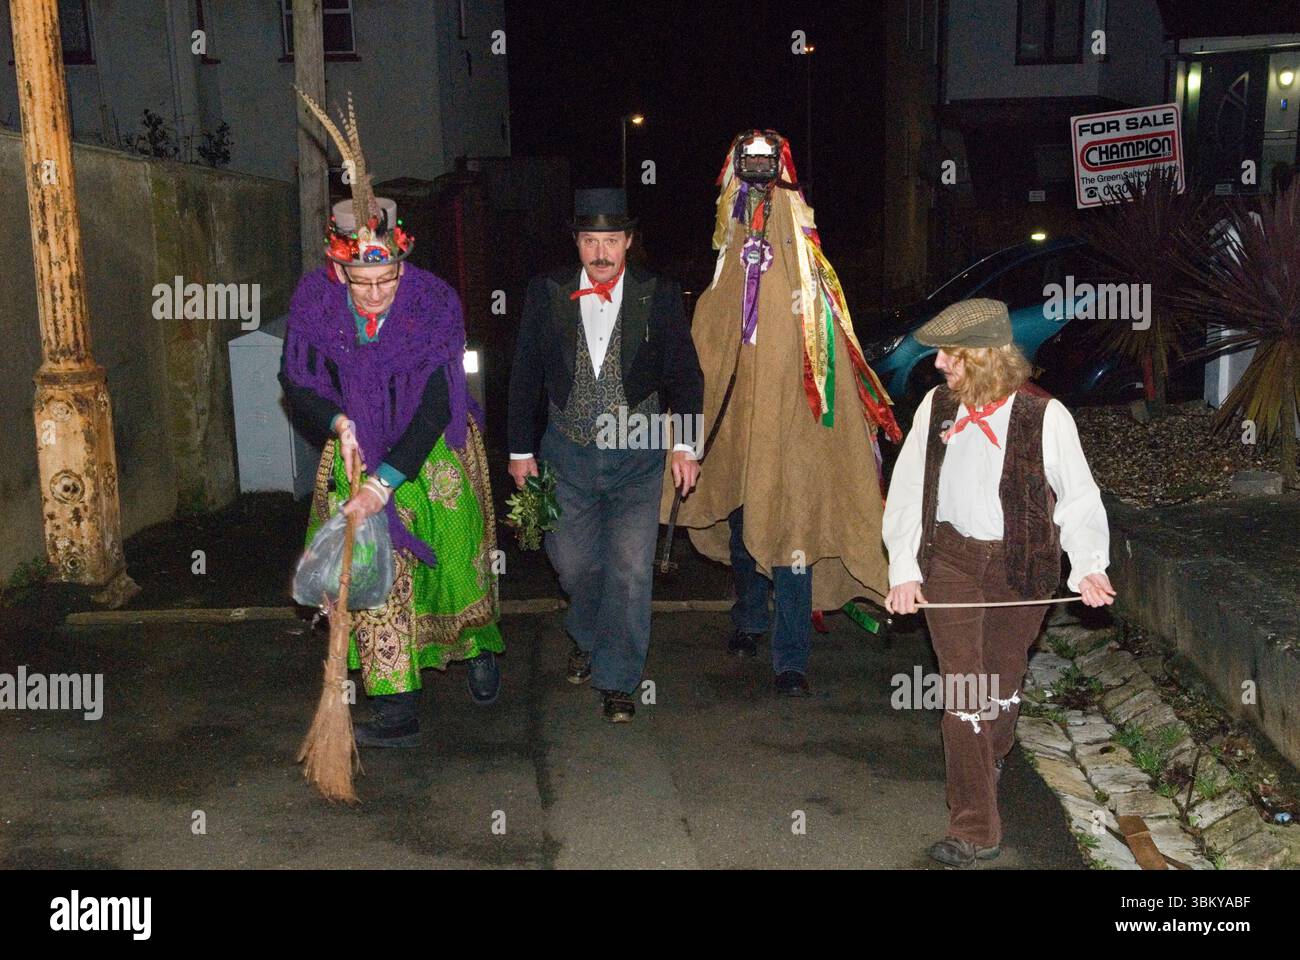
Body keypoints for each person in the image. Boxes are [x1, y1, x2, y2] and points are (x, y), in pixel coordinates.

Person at [281, 89, 503, 748]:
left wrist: (389, 479)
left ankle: (480, 649)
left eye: (388, 279)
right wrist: (337, 423)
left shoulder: (434, 302)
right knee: (371, 570)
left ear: (402, 259)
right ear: (339, 268)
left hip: (427, 443)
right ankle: (396, 705)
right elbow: (297, 381)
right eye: (363, 283)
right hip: (352, 442)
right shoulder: (314, 300)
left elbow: (439, 399)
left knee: (456, 551)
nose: (377, 293)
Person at [663, 130, 902, 695]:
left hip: (798, 426)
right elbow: (712, 340)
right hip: (742, 422)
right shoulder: (729, 262)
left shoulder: (811, 281)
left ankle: (790, 658)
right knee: (748, 519)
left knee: (790, 528)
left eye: (768, 163)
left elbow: (830, 356)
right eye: (748, 163)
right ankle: (748, 619)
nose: (758, 173)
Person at [881, 297, 1116, 866]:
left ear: (985, 356)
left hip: (1023, 567)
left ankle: (990, 751)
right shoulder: (935, 409)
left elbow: (1080, 496)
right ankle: (974, 827)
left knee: (1001, 688)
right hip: (952, 562)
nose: (938, 364)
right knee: (963, 694)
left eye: (950, 355)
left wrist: (1088, 564)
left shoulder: (1045, 415)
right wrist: (906, 569)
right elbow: (909, 489)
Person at [507, 188, 703, 722]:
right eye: (590, 241)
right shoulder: (546, 292)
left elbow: (685, 373)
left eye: (610, 241)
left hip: (637, 450)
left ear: (628, 243)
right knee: (572, 565)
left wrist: (685, 445)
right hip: (565, 452)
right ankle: (590, 636)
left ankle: (617, 678)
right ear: (576, 242)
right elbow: (524, 371)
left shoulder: (657, 293)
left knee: (632, 569)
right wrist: (520, 449)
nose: (600, 252)